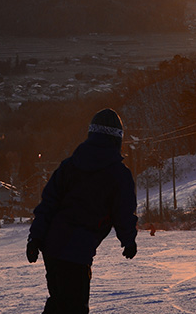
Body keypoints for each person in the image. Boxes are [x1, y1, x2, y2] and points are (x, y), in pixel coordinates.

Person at [27, 108, 138, 314]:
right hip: (78, 251)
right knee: (73, 307)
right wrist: (128, 240)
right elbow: (123, 211)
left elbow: (48, 204)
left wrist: (35, 238)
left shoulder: (69, 166)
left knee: (60, 302)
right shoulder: (118, 174)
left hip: (51, 247)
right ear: (117, 140)